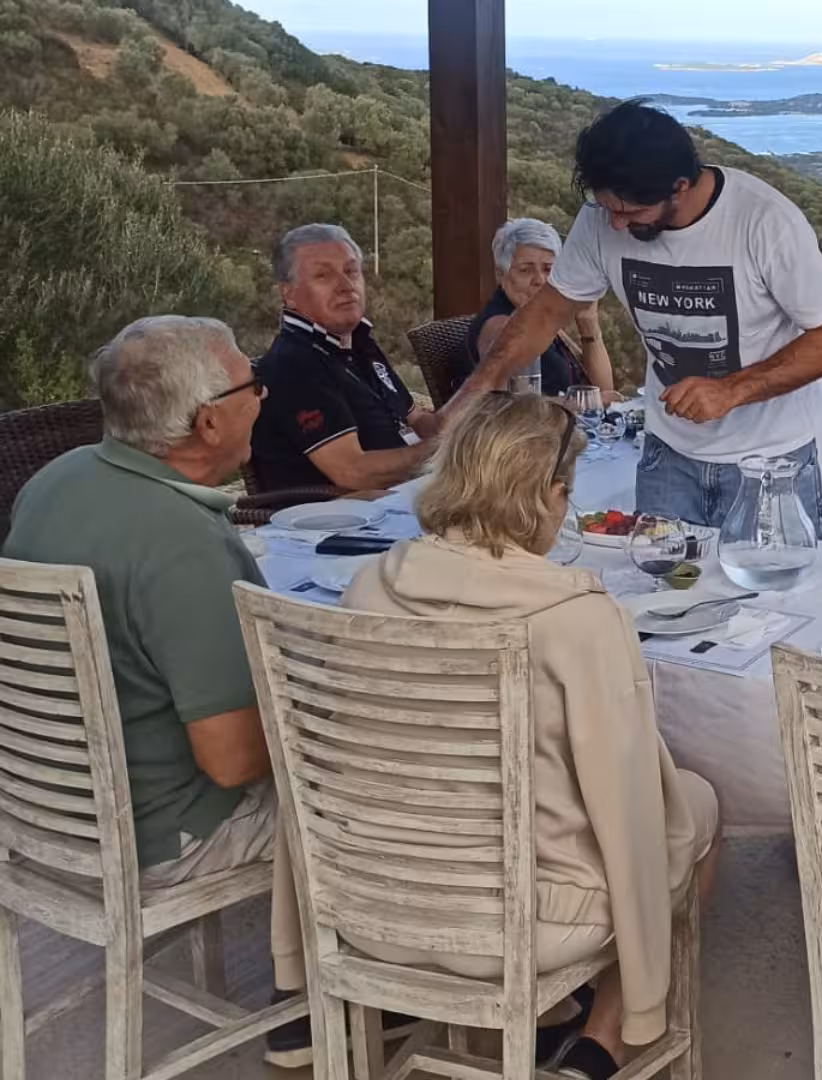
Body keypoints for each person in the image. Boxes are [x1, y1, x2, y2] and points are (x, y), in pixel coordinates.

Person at [341, 392, 720, 1080]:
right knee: (693, 808)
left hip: (373, 895)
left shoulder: (368, 586)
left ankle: (555, 1015)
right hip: (523, 920)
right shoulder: (575, 617)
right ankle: (610, 1038)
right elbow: (630, 804)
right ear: (551, 496)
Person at [3, 316, 309, 1054]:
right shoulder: (181, 540)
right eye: (251, 386)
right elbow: (233, 762)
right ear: (208, 423)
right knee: (364, 785)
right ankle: (328, 999)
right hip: (162, 832)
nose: (261, 398)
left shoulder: (57, 480)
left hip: (38, 810)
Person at [455, 101, 822, 532]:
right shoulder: (601, 218)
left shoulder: (763, 222)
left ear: (679, 187)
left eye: (629, 213)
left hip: (769, 463)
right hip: (667, 456)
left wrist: (730, 391)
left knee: (775, 599)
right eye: (607, 208)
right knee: (656, 591)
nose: (614, 225)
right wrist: (481, 385)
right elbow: (546, 312)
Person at [250, 223, 442, 492]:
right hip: (337, 521)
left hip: (399, 496)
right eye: (323, 276)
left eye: (351, 271)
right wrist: (451, 448)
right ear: (288, 293)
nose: (345, 285)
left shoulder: (357, 342)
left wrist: (490, 377)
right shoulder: (293, 364)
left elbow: (420, 420)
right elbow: (355, 473)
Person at [456, 218, 619, 399]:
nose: (540, 280)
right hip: (513, 426)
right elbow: (514, 408)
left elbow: (603, 390)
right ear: (501, 274)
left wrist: (589, 323)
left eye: (548, 269)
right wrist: (581, 403)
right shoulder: (502, 328)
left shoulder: (539, 318)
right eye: (525, 270)